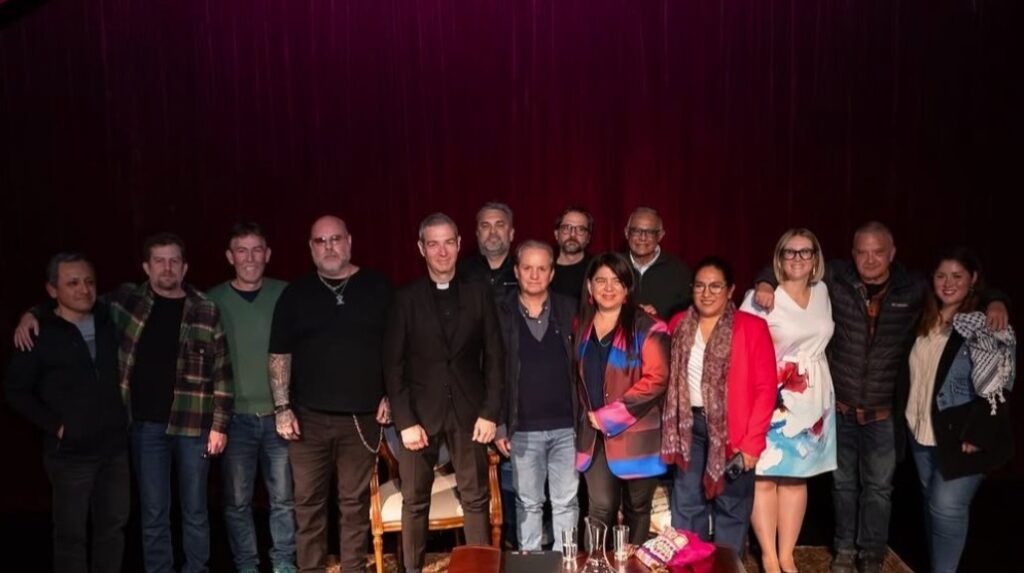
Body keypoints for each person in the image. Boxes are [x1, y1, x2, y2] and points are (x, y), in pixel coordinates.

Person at [752, 221, 1009, 573]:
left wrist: (997, 300)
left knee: (878, 488)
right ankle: (842, 550)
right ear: (851, 254)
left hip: (883, 411)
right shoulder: (836, 281)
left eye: (878, 252)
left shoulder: (915, 287)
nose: (870, 259)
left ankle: (871, 554)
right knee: (842, 486)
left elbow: (962, 286)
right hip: (839, 406)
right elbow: (790, 260)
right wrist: (765, 279)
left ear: (892, 254)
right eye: (862, 252)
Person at [15, 234, 233, 573]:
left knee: (195, 510)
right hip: (144, 428)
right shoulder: (124, 301)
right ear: (146, 267)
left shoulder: (205, 308)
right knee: (153, 512)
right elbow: (69, 302)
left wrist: (219, 425)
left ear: (185, 267)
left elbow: (222, 370)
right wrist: (32, 314)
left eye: (174, 260)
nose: (167, 267)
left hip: (194, 426)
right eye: (159, 260)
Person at [268, 215, 392, 573]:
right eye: (321, 241)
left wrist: (391, 396)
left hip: (363, 417)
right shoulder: (296, 294)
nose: (329, 247)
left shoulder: (378, 287)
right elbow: (279, 355)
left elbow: (396, 348)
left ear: (349, 241)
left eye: (335, 239)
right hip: (307, 420)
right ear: (311, 247)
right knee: (307, 505)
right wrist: (281, 407)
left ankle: (353, 568)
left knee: (354, 505)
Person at [383, 212, 504, 573]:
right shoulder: (405, 299)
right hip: (419, 416)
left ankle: (480, 570)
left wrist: (490, 411)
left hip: (470, 414)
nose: (441, 251)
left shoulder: (479, 294)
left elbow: (496, 357)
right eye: (432, 244)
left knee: (476, 498)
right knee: (414, 500)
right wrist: (404, 421)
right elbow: (393, 365)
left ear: (458, 244)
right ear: (421, 248)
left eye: (448, 242)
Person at [6, 253, 130, 573]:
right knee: (71, 536)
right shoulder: (38, 333)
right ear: (52, 290)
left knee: (111, 529)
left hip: (115, 449)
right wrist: (58, 426)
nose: (83, 290)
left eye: (89, 282)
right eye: (72, 283)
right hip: (70, 455)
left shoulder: (108, 318)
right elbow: (16, 390)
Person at [904, 247, 1014, 573]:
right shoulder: (925, 320)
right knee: (933, 505)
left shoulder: (986, 322)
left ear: (973, 280)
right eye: (941, 276)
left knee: (946, 506)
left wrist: (979, 434)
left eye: (957, 276)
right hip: (922, 431)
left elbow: (1001, 383)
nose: (948, 283)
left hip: (964, 436)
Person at [662, 256, 777, 554]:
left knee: (732, 509)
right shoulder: (679, 324)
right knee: (687, 507)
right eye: (700, 285)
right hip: (689, 431)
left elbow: (766, 390)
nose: (706, 292)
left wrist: (752, 444)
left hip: (733, 434)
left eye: (715, 286)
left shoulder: (752, 327)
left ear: (731, 290)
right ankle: (691, 565)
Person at [740, 229, 837, 573]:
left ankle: (787, 556)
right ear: (778, 259)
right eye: (789, 253)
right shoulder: (760, 296)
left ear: (815, 259)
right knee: (765, 475)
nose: (797, 259)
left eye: (804, 253)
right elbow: (741, 348)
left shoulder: (825, 291)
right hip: (772, 395)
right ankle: (768, 555)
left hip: (814, 398)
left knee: (797, 477)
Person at [207, 223, 296, 573]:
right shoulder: (212, 300)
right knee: (237, 501)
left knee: (283, 499)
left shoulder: (286, 293)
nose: (249, 258)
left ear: (268, 254)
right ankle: (246, 564)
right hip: (234, 419)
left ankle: (284, 563)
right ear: (230, 257)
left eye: (256, 249)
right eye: (241, 251)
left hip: (280, 415)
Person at [575, 251, 670, 545]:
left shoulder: (649, 326)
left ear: (627, 287)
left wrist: (608, 416)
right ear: (589, 287)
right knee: (600, 507)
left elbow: (657, 378)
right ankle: (596, 566)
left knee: (637, 509)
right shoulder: (581, 326)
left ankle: (634, 567)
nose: (608, 287)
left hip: (638, 435)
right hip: (593, 438)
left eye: (616, 281)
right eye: (600, 280)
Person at [493, 240, 579, 551]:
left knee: (566, 503)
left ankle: (565, 565)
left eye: (542, 268)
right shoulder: (499, 312)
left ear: (552, 273)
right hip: (522, 429)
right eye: (527, 267)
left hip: (566, 429)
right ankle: (530, 565)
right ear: (516, 271)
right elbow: (491, 372)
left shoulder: (570, 308)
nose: (534, 274)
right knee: (528, 504)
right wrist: (500, 424)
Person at [623, 207, 692, 319]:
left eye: (650, 232)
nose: (642, 238)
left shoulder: (680, 271)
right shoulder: (613, 267)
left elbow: (687, 318)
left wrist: (656, 319)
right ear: (626, 233)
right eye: (636, 231)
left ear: (660, 235)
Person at [457, 201, 518, 300]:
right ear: (477, 233)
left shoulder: (525, 271)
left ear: (511, 233)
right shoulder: (460, 271)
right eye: (485, 226)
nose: (493, 232)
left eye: (500, 225)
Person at [550, 206, 594, 300]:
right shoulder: (542, 267)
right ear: (556, 234)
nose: (573, 234)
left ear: (588, 238)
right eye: (566, 228)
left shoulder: (596, 268)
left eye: (580, 229)